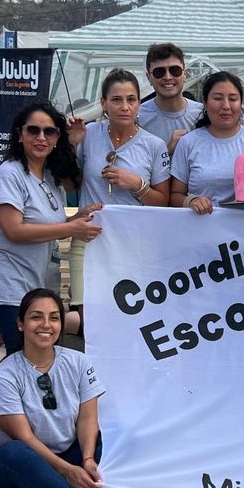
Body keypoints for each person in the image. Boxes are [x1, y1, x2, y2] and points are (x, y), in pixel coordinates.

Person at [0, 288, 137, 488]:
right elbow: (25, 438)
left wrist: (86, 459)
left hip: (68, 454)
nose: (46, 324)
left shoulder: (79, 362)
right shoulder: (5, 376)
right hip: (18, 471)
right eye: (36, 317)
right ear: (21, 323)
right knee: (12, 452)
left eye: (54, 318)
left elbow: (88, 418)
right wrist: (67, 471)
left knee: (122, 429)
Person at [0, 102, 99, 354]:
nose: (41, 138)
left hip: (30, 279)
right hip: (7, 281)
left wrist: (74, 221)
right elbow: (15, 230)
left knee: (27, 352)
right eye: (33, 130)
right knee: (23, 352)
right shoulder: (9, 174)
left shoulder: (49, 177)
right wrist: (71, 228)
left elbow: (47, 225)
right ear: (20, 134)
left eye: (49, 132)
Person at [69, 69, 170, 333]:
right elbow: (70, 183)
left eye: (131, 99)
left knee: (128, 318)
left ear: (139, 103)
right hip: (88, 236)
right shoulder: (89, 134)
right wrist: (71, 146)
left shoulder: (153, 145)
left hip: (133, 243)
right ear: (103, 103)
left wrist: (137, 184)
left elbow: (164, 203)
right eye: (116, 100)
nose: (124, 107)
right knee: (85, 317)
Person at [169, 71, 244, 214]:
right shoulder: (188, 143)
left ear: (241, 103)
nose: (226, 106)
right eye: (217, 98)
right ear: (205, 102)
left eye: (233, 99)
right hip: (201, 230)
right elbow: (175, 196)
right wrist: (191, 201)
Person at [137, 43, 203, 153]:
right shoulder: (138, 118)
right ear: (149, 78)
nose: (168, 77)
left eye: (175, 70)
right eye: (159, 72)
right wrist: (167, 151)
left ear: (184, 74)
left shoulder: (203, 114)